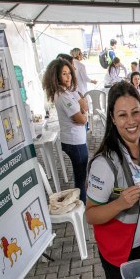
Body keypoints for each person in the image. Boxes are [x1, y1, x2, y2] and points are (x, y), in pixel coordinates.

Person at [85, 81, 140, 279]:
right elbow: (90, 215)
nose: (131, 121)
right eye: (122, 115)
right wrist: (120, 203)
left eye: (135, 112)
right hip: (118, 251)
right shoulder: (104, 164)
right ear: (112, 119)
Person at [42, 57, 89, 203]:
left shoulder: (68, 91)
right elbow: (82, 119)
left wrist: (82, 112)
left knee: (80, 175)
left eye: (69, 72)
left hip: (76, 139)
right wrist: (83, 115)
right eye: (64, 73)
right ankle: (82, 206)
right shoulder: (63, 96)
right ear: (56, 76)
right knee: (81, 179)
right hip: (75, 142)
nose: (68, 76)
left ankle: (82, 203)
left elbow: (85, 106)